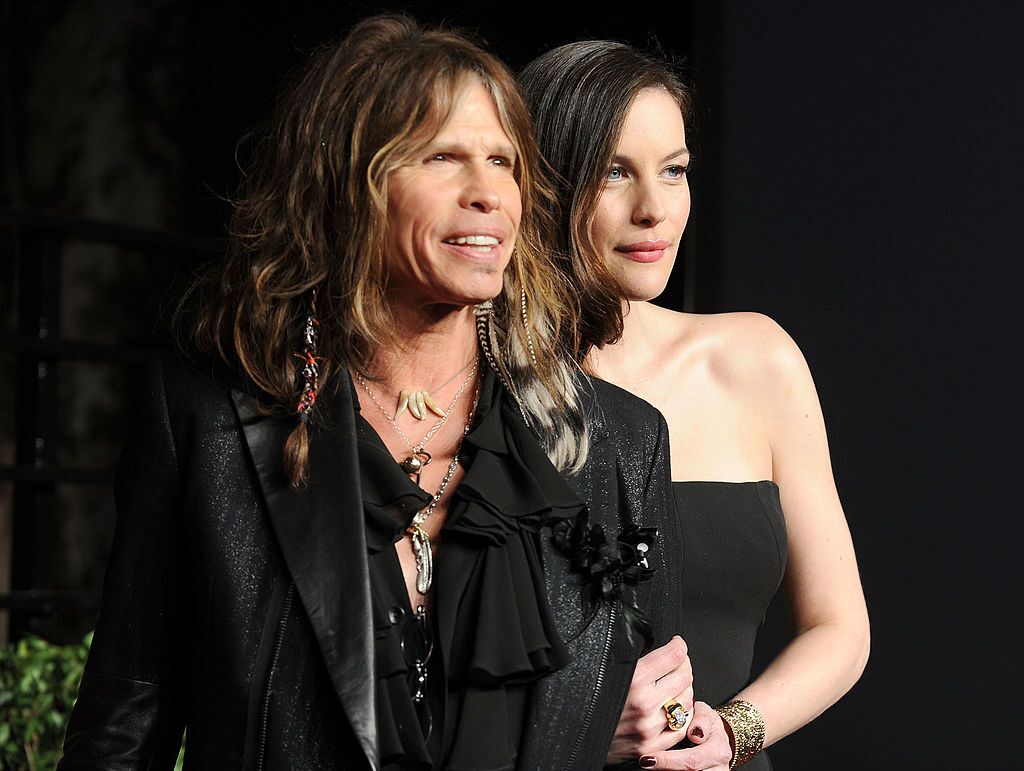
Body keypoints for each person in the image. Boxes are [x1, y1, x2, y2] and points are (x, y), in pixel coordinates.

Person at [58, 18, 689, 770]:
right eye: (444, 157)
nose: (489, 193)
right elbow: (124, 725)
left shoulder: (620, 439)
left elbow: (662, 728)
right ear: (348, 187)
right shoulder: (208, 418)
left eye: (504, 162)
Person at [521, 41, 870, 770]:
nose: (654, 209)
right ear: (546, 181)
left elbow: (841, 627)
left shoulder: (754, 358)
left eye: (674, 171)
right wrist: (576, 726)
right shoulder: (487, 382)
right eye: (615, 172)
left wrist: (732, 729)